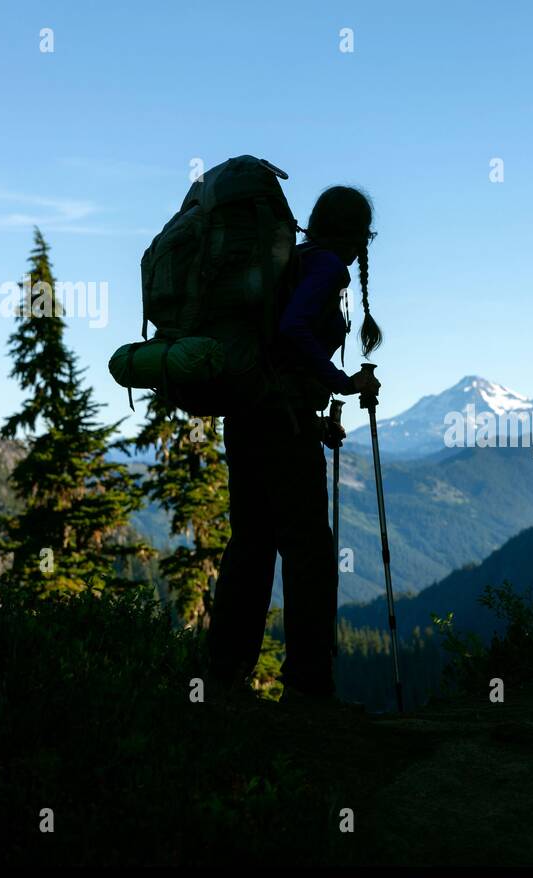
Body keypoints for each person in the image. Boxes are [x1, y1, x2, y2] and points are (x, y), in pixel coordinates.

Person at [206, 185, 381, 702]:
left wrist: (316, 417)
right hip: (281, 426)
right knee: (309, 555)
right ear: (357, 235)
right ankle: (308, 688)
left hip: (247, 418)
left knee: (252, 547)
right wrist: (342, 381)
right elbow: (293, 330)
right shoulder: (326, 266)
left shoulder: (288, 262)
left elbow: (274, 346)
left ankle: (223, 679)